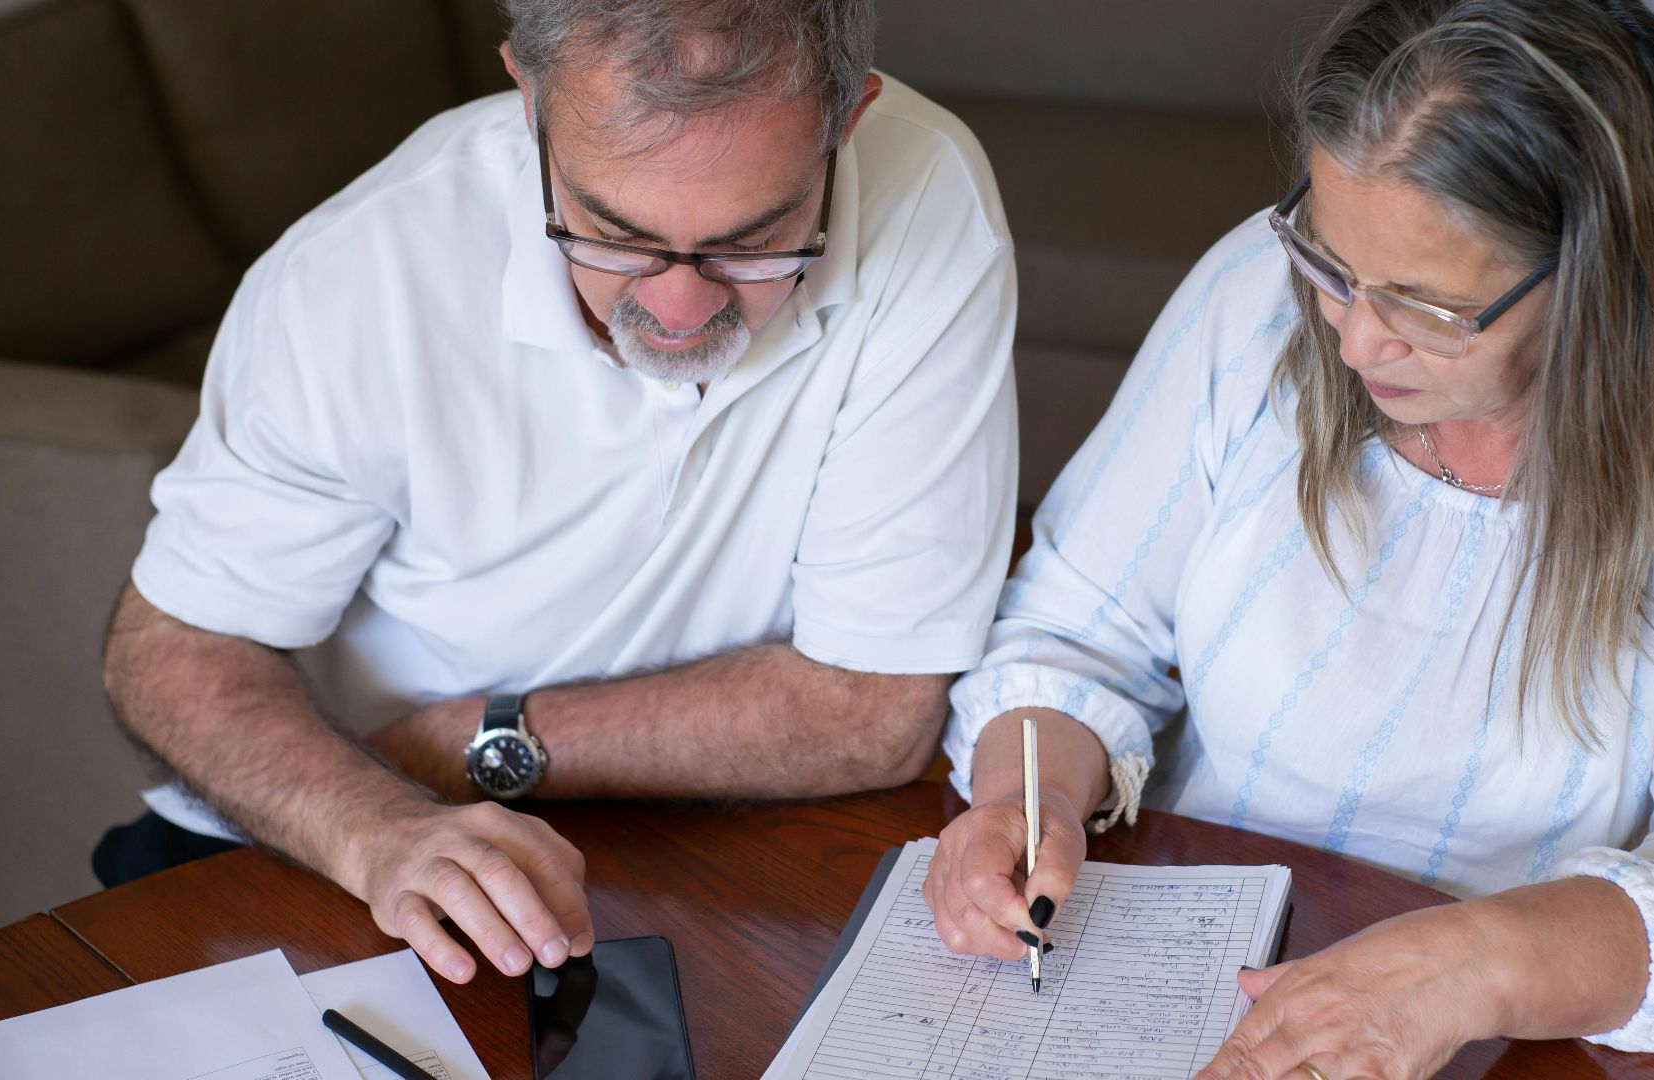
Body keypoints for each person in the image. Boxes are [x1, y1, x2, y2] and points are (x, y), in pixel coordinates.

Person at [926, 0, 1654, 1074]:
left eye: (1427, 305)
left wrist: (1462, 967)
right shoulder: (1262, 292)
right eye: (1331, 264)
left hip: (1510, 1038)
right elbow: (1072, 628)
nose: (1357, 338)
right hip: (1173, 967)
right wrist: (1024, 799)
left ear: (1595, 273)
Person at [100, 0, 1017, 987]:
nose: (678, 308)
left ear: (850, 120)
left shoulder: (927, 192)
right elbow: (173, 653)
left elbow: (870, 707)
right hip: (332, 840)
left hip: (679, 839)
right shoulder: (358, 275)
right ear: (528, 102)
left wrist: (469, 740)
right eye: (613, 234)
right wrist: (379, 824)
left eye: (755, 240)